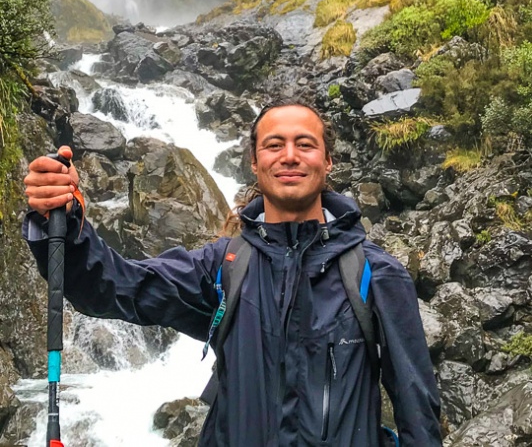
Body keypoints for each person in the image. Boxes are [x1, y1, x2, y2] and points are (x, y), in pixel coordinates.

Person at [23, 100, 442, 446]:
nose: (290, 155)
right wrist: (63, 223)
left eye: (305, 144)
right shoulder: (222, 268)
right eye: (274, 144)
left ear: (328, 161)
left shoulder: (376, 275)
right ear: (255, 163)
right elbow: (113, 289)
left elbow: (417, 413)